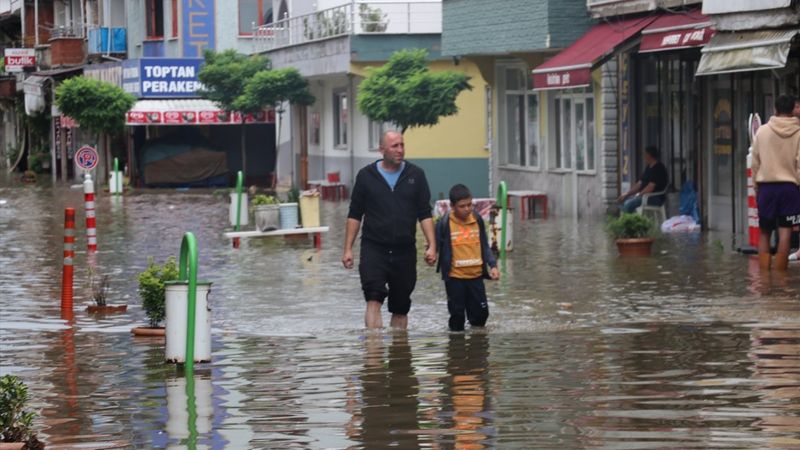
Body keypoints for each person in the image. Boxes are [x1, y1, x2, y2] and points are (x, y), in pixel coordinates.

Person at [342, 130, 436, 329]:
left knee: (401, 305)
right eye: (395, 146)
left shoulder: (416, 175)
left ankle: (399, 355)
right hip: (374, 248)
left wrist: (432, 245)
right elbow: (355, 214)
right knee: (373, 296)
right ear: (381, 150)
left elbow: (425, 213)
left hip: (405, 249)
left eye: (402, 145)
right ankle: (374, 354)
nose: (400, 150)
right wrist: (348, 249)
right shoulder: (366, 176)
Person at [435, 184, 499, 332]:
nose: (467, 209)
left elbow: (484, 245)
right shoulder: (444, 224)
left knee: (481, 315)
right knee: (457, 318)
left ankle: (477, 348)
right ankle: (456, 349)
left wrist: (493, 265)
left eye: (470, 205)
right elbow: (434, 246)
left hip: (476, 277)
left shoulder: (477, 220)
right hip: (454, 278)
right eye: (462, 206)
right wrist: (431, 253)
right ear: (452, 206)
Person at [752, 94, 800, 270]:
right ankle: (781, 275)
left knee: (764, 231)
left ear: (775, 110)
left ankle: (764, 275)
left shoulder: (762, 131)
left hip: (766, 187)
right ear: (792, 110)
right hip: (790, 189)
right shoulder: (799, 133)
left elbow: (755, 162)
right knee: (785, 231)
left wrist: (756, 186)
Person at [617, 146, 669, 214]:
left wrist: (638, 195)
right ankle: (629, 219)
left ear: (650, 155)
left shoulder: (658, 168)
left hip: (655, 197)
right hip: (644, 196)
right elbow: (639, 184)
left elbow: (650, 187)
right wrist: (626, 194)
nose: (644, 156)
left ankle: (627, 222)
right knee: (625, 200)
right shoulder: (648, 167)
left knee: (629, 204)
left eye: (645, 154)